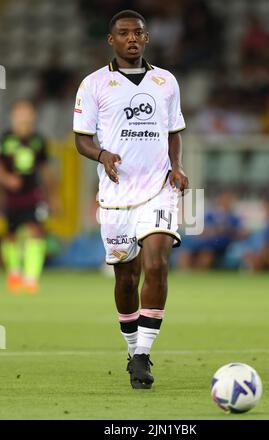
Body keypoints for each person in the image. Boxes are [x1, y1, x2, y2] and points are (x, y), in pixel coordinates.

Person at [73, 10, 188, 389]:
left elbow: (174, 131)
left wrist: (177, 166)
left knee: (156, 264)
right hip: (117, 195)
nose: (131, 39)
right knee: (127, 279)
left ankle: (143, 354)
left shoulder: (165, 81)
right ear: (112, 41)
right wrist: (103, 155)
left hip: (158, 189)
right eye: (123, 34)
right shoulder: (94, 85)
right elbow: (82, 139)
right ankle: (131, 347)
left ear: (147, 38)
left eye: (138, 33)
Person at [0, 100, 58, 293]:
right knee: (11, 236)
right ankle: (14, 273)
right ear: (13, 116)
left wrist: (54, 196)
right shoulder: (5, 139)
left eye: (28, 112)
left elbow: (46, 169)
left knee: (36, 231)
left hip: (33, 195)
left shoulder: (38, 140)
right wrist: (7, 179)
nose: (24, 116)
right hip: (10, 196)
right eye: (20, 112)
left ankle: (31, 278)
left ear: (33, 116)